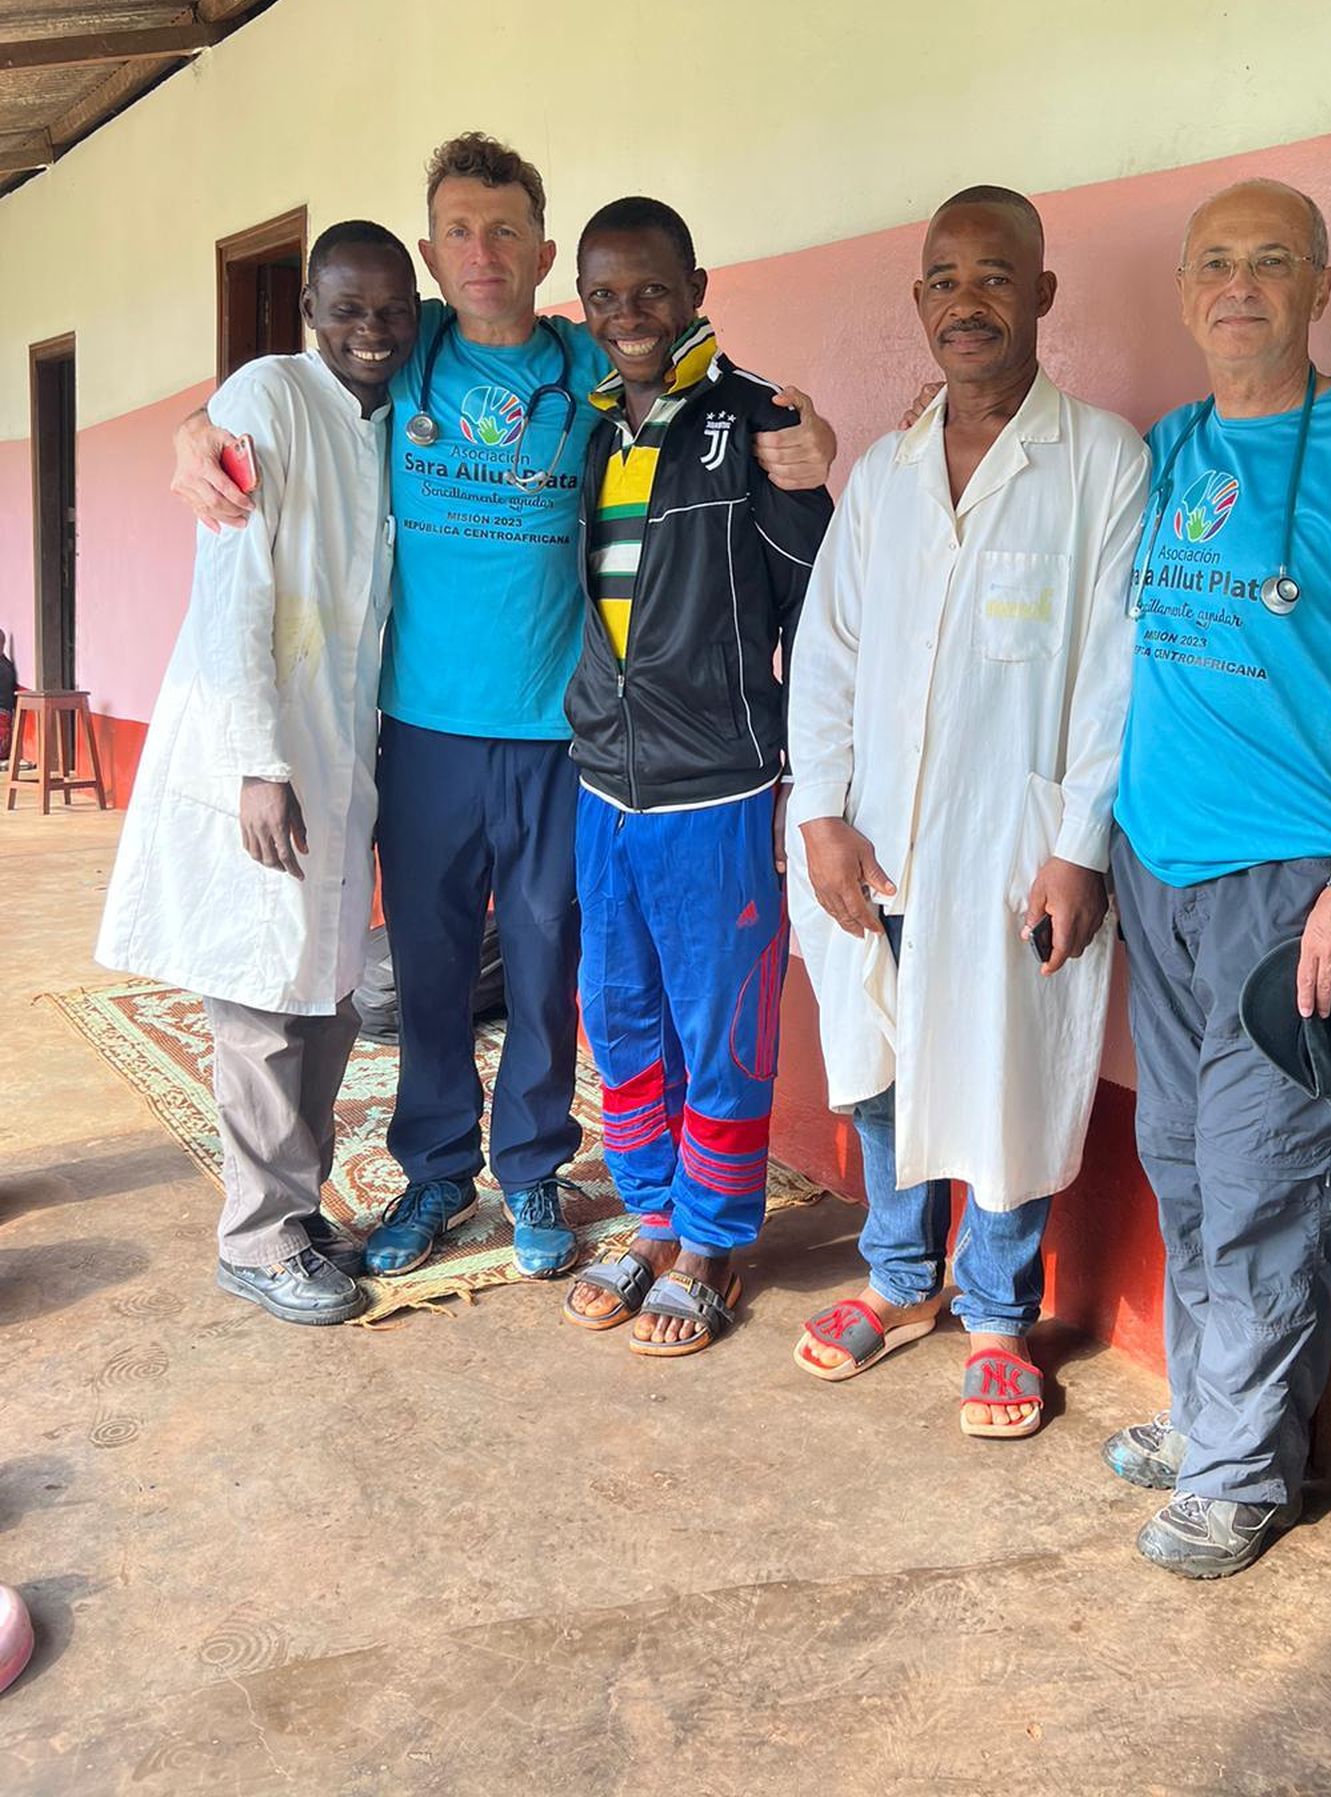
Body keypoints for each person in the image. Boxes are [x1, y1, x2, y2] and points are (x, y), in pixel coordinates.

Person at [172, 136, 837, 1283]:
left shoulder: (593, 363)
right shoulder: (407, 343)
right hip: (422, 729)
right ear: (433, 255)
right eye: (460, 233)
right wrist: (200, 428)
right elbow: (296, 371)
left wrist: (806, 437)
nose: (483, 252)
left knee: (544, 962)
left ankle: (532, 1161)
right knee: (428, 968)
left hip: (563, 734)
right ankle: (436, 1168)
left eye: (507, 231)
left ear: (542, 251)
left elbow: (695, 382)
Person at [1103, 179, 1331, 1576]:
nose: (1237, 283)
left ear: (1321, 284)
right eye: (1214, 263)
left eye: (1269, 262)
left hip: (1292, 885)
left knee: (1269, 1178)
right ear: (1187, 291)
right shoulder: (1174, 448)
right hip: (1161, 867)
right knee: (1184, 1160)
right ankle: (1206, 1413)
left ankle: (1246, 1474)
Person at [786, 186, 1148, 1438]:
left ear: (1041, 294)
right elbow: (826, 650)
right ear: (920, 304)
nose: (965, 302)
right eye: (942, 280)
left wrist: (1074, 845)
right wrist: (823, 818)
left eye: (994, 277)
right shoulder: (884, 472)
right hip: (879, 845)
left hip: (1014, 849)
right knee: (883, 1068)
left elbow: (1115, 669)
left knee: (1006, 1071)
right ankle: (895, 1283)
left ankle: (995, 1311)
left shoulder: (1103, 460)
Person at [99, 223, 420, 1324]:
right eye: (348, 309)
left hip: (343, 755)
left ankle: (296, 1209)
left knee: (325, 992)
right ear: (309, 315)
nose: (370, 331)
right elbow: (236, 592)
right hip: (267, 753)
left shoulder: (387, 418)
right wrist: (254, 768)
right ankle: (257, 1236)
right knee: (258, 998)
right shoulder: (264, 401)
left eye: (390, 310)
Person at [557, 199, 832, 1353]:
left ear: (697, 289)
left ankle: (715, 1236)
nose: (630, 315)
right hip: (600, 778)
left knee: (719, 1022)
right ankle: (654, 1214)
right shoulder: (574, 426)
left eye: (653, 290)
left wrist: (810, 784)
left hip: (716, 782)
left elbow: (820, 605)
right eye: (607, 295)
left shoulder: (753, 418)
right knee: (621, 1016)